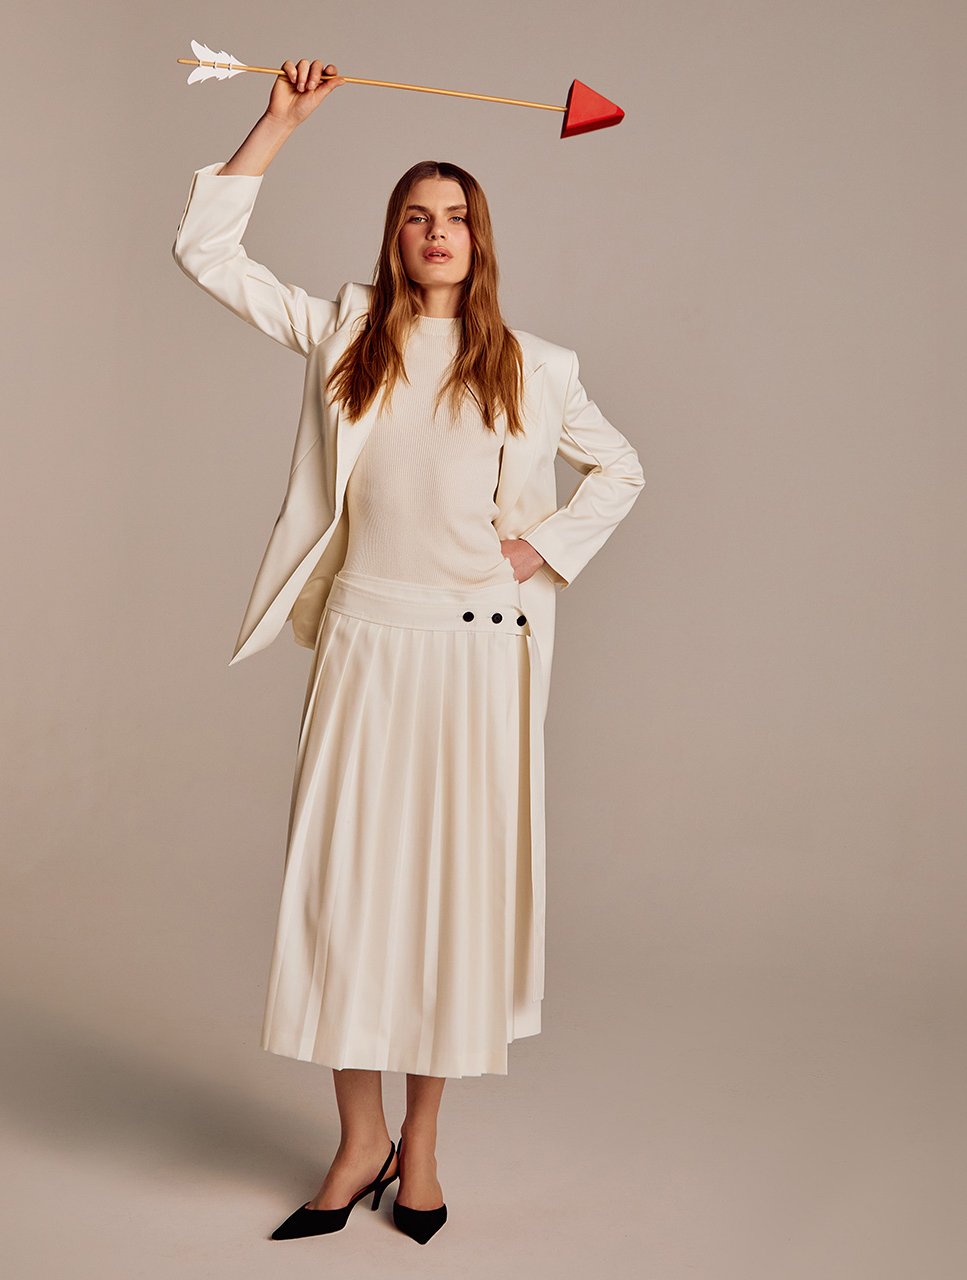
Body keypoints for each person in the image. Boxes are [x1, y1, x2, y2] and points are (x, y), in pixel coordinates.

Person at [172, 57, 645, 1244]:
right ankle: (356, 1139)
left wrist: (540, 547)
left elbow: (622, 469)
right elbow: (207, 258)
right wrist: (274, 126)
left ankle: (420, 1147)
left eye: (457, 219)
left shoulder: (537, 366)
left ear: (480, 242)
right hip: (364, 645)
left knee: (450, 902)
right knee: (344, 894)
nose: (438, 234)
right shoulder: (346, 334)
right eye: (416, 218)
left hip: (478, 658)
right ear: (393, 238)